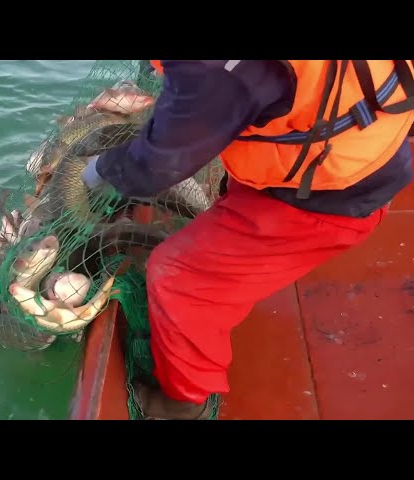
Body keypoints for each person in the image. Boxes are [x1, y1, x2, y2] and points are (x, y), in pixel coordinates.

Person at [80, 60, 414, 420]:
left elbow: (163, 162)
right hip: (363, 141)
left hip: (329, 197)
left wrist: (98, 171)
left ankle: (184, 402)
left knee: (180, 278)